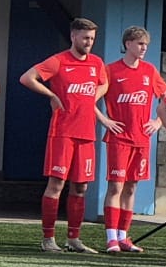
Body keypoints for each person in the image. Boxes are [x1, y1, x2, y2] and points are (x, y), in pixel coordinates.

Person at [20, 18, 118, 253]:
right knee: (56, 184)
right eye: (85, 38)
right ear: (73, 36)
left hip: (86, 133)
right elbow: (27, 78)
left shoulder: (96, 63)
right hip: (62, 133)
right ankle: (48, 239)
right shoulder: (59, 61)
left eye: (92, 38)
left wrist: (93, 96)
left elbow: (104, 84)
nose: (89, 42)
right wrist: (52, 95)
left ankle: (74, 238)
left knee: (81, 187)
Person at [101, 25, 166, 254]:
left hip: (141, 140)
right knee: (115, 186)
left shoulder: (149, 71)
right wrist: (105, 120)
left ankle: (123, 236)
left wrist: (158, 122)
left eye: (146, 45)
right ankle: (111, 238)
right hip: (119, 139)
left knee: (131, 187)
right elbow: (90, 99)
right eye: (140, 44)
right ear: (128, 44)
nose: (143, 48)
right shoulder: (111, 70)